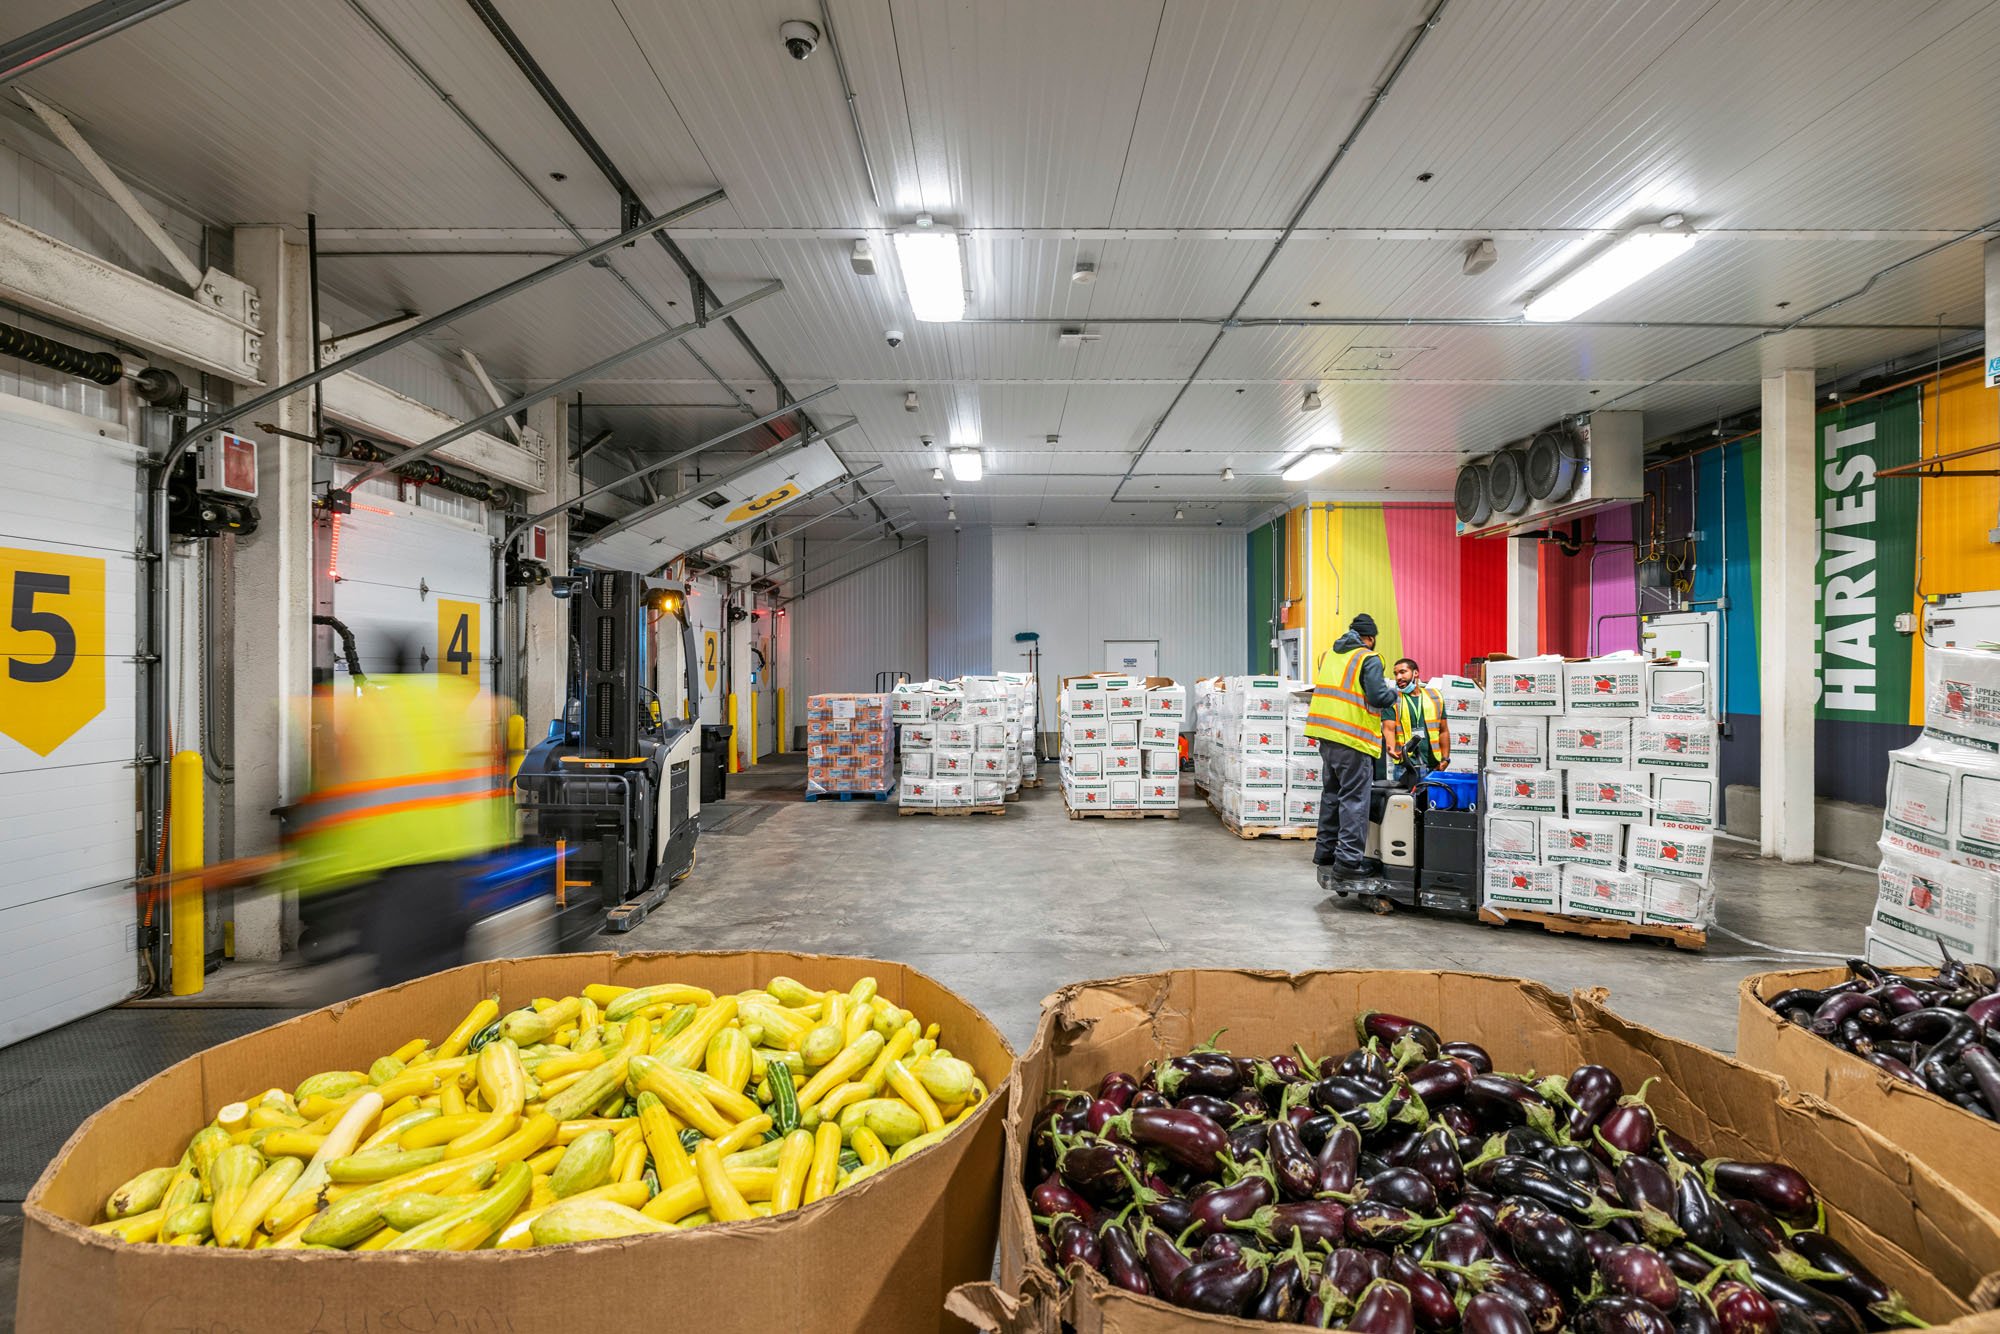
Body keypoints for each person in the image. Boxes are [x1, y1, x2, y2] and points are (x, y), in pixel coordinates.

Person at [288, 645, 512, 986]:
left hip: (381, 875)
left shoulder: (360, 712)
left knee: (394, 986)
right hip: (447, 870)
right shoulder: (451, 705)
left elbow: (331, 791)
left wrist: (311, 870)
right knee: (448, 978)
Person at [1305, 613, 1401, 878]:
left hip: (1327, 737)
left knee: (1332, 795)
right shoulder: (1367, 658)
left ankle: (1324, 852)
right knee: (1355, 800)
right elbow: (1378, 696)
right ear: (1369, 639)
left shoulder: (1331, 655)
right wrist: (1395, 692)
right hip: (1353, 739)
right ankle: (1348, 862)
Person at [1386, 657, 1450, 787]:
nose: (1398, 677)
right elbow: (1388, 728)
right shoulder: (1393, 699)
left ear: (1415, 673)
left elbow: (1443, 730)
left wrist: (1445, 758)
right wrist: (1391, 748)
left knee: (1430, 805)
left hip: (1434, 766)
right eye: (1396, 673)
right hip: (1406, 766)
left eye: (1403, 672)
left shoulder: (1435, 696)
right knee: (1407, 805)